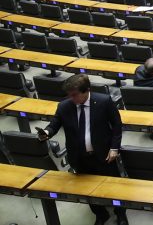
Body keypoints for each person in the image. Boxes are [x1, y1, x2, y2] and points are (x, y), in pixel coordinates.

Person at [38, 74, 127, 225]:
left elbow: (117, 126)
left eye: (74, 95)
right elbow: (55, 123)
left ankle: (121, 214)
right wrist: (47, 132)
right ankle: (100, 214)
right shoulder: (64, 106)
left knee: (113, 187)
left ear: (86, 90)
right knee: (87, 190)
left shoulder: (104, 101)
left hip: (104, 154)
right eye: (69, 95)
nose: (71, 98)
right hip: (79, 157)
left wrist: (114, 148)